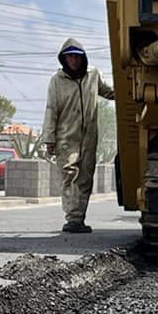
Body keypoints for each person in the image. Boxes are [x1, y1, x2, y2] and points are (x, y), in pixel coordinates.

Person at [42, 37, 111, 235]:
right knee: (69, 175)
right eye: (70, 57)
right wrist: (49, 139)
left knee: (85, 177)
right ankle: (72, 218)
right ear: (64, 59)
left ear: (83, 58)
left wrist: (130, 92)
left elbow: (107, 91)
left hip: (89, 136)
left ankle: (79, 218)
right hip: (66, 137)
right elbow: (51, 109)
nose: (73, 60)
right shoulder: (57, 80)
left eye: (77, 57)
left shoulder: (93, 75)